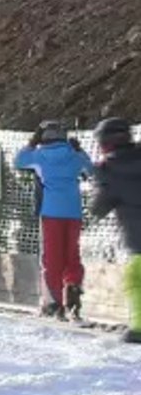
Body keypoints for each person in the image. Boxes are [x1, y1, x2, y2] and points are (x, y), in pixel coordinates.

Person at [15, 120, 95, 321]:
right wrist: (80, 149)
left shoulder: (39, 155)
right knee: (72, 255)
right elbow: (91, 170)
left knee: (52, 257)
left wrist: (32, 142)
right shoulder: (73, 155)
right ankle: (73, 300)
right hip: (74, 211)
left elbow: (18, 161)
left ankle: (53, 304)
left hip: (51, 211)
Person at [87, 117, 141, 343]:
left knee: (134, 280)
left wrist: (96, 183)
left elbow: (97, 209)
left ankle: (138, 329)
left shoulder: (109, 170)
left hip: (139, 240)